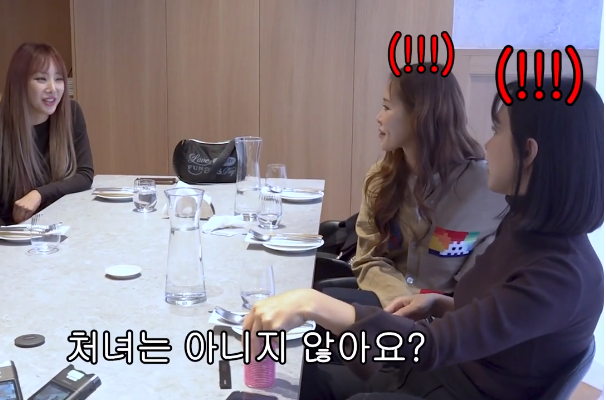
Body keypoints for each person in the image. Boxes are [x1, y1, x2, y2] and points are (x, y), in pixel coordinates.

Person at [245, 77, 604, 399]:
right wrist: (439, 304)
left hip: (453, 385)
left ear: (528, 152)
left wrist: (310, 303)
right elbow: (498, 319)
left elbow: (430, 345)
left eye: (497, 130)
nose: (487, 143)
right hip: (432, 373)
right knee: (300, 374)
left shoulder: (561, 277)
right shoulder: (524, 228)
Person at [322, 65, 507, 308]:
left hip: (449, 315)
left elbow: (481, 279)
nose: (378, 117)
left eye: (387, 107)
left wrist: (434, 308)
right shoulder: (380, 179)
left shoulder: (487, 189)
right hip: (387, 304)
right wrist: (403, 303)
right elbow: (368, 260)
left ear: (420, 116)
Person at [0, 42, 94, 231]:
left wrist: (38, 194)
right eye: (41, 79)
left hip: (51, 227)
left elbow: (84, 174)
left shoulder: (71, 114)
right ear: (20, 84)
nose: (53, 88)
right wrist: (8, 233)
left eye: (58, 79)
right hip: (8, 233)